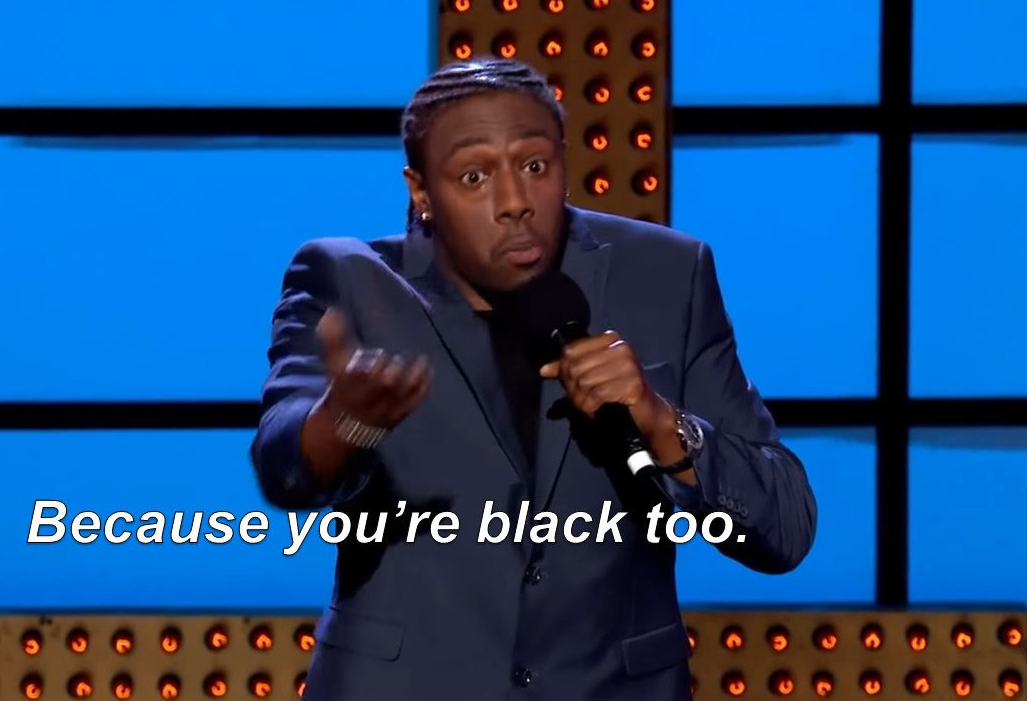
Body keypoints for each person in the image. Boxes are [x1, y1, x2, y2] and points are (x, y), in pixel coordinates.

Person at [250, 57, 816, 700]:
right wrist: (345, 422)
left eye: (535, 166)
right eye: (474, 176)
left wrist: (663, 425)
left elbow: (785, 529)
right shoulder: (350, 281)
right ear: (421, 191)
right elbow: (284, 468)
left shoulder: (666, 274)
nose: (515, 203)